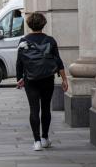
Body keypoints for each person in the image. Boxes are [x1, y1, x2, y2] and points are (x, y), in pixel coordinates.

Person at [15, 12, 68, 151]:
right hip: (47, 79)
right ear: (43, 24)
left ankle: (36, 141)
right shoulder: (50, 40)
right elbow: (58, 61)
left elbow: (19, 62)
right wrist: (64, 79)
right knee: (45, 108)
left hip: (30, 80)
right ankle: (45, 138)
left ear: (29, 25)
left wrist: (19, 78)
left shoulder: (23, 41)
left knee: (34, 109)